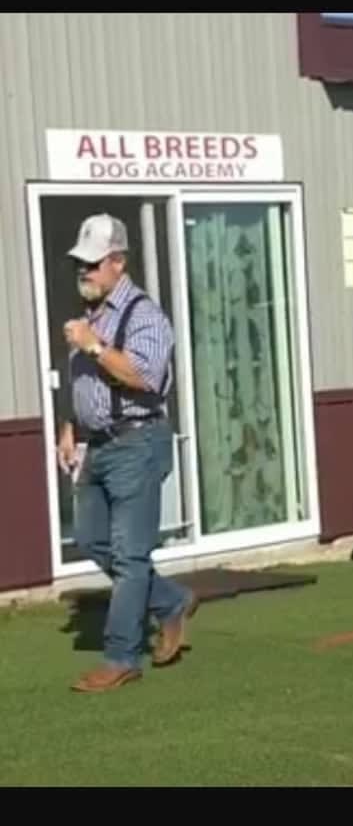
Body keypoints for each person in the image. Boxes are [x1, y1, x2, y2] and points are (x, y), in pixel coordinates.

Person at [56, 213, 198, 692]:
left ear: (117, 261)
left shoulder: (145, 317)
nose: (85, 273)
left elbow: (145, 377)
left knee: (129, 555)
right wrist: (68, 427)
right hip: (97, 446)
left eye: (92, 265)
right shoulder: (92, 316)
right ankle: (172, 601)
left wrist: (94, 346)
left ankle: (121, 657)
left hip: (138, 441)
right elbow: (84, 385)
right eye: (81, 265)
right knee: (93, 539)